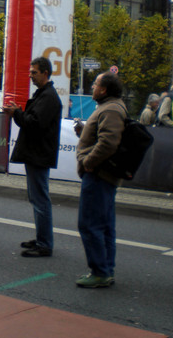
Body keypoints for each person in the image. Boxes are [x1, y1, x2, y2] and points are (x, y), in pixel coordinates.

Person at [2, 57, 62, 257]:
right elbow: (32, 121)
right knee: (37, 198)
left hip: (39, 154)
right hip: (37, 153)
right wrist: (18, 113)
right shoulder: (44, 94)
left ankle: (44, 244)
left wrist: (17, 113)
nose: (30, 76)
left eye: (34, 72)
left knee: (40, 199)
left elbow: (35, 124)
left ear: (45, 73)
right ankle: (42, 238)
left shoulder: (49, 97)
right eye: (30, 72)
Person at [74, 71, 126, 288]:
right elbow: (103, 137)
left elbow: (108, 142)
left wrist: (88, 162)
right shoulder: (110, 107)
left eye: (95, 84)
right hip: (101, 175)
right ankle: (105, 269)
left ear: (103, 90)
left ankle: (100, 272)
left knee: (90, 224)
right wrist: (84, 132)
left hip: (98, 175)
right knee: (104, 225)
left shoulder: (111, 109)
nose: (92, 88)